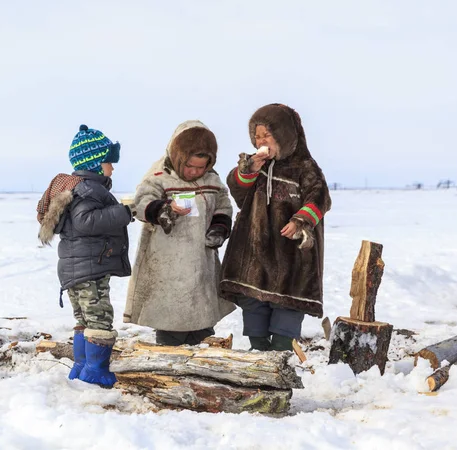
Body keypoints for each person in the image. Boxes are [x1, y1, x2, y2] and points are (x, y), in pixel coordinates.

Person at [220, 104, 332, 351]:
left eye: (267, 136)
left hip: (290, 255)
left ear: (284, 135)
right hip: (255, 252)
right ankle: (258, 353)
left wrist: (299, 220)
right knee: (254, 304)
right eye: (257, 136)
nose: (261, 141)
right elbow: (238, 191)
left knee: (286, 309)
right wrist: (249, 171)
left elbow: (320, 198)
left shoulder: (305, 167)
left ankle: (282, 356)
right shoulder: (255, 165)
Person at [37, 124, 133, 386]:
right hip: (90, 267)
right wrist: (126, 212)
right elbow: (86, 221)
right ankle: (95, 372)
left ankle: (80, 366)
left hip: (75, 267)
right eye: (109, 162)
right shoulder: (90, 189)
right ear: (95, 164)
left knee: (83, 318)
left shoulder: (77, 187)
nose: (112, 168)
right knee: (99, 318)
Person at [123, 120, 235, 346]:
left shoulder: (212, 180)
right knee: (171, 320)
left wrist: (219, 228)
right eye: (189, 166)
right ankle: (169, 362)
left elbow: (224, 205)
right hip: (167, 265)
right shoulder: (159, 176)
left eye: (200, 167)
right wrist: (163, 209)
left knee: (202, 321)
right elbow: (141, 203)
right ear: (178, 157)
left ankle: (201, 366)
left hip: (201, 264)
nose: (194, 171)